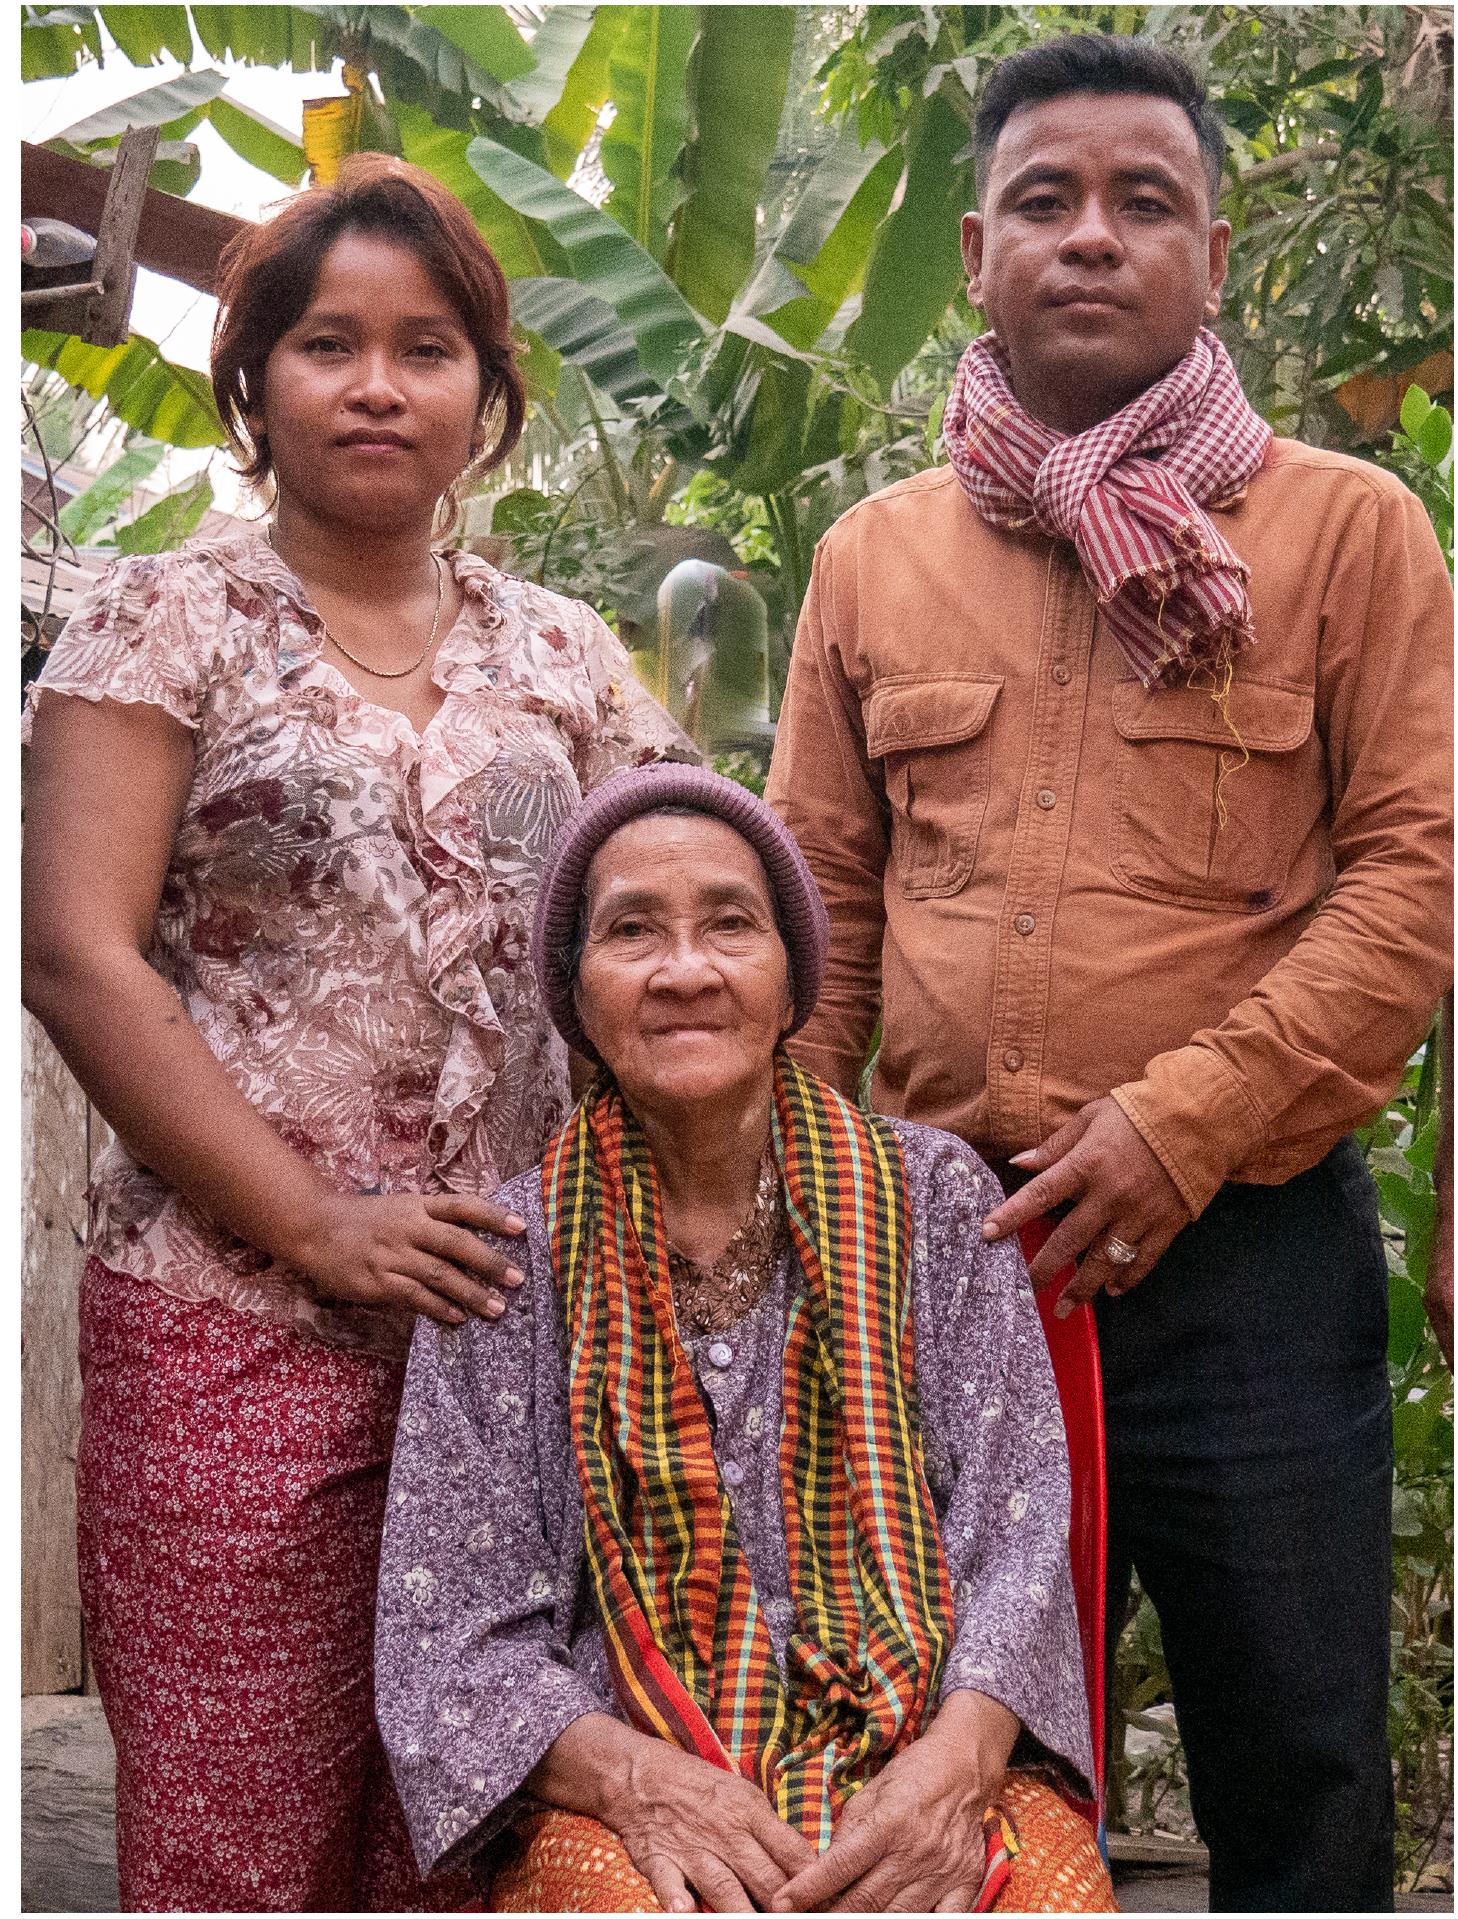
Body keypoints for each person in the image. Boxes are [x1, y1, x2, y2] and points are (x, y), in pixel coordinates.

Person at [764, 34, 1453, 1915]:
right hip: (937, 1271)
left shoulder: (1346, 533)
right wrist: (794, 1230)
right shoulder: (872, 555)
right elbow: (813, 912)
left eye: (1141, 203)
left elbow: (1413, 881)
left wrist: (1179, 1122)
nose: (1092, 237)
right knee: (936, 1754)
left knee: (1297, 1761)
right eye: (1048, 203)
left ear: (1212, 256)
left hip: (1242, 1266)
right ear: (977, 247)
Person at [20, 155, 688, 1912]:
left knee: (469, 1820)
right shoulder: (161, 622)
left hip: (508, 1332)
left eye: (426, 345)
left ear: (486, 391)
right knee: (242, 1835)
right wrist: (313, 1221)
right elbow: (78, 955)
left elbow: (697, 909)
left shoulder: (567, 655)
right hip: (235, 1321)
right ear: (254, 381)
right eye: (328, 343)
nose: (378, 382)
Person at [376, 764, 1117, 1914]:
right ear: (577, 991)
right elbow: (454, 1638)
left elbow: (1016, 1547)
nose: (685, 970)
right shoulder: (506, 1263)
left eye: (730, 922)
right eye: (632, 931)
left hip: (925, 1751)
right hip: (632, 1782)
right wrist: (645, 1783)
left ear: (791, 980)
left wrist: (949, 1772)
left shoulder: (933, 1203)